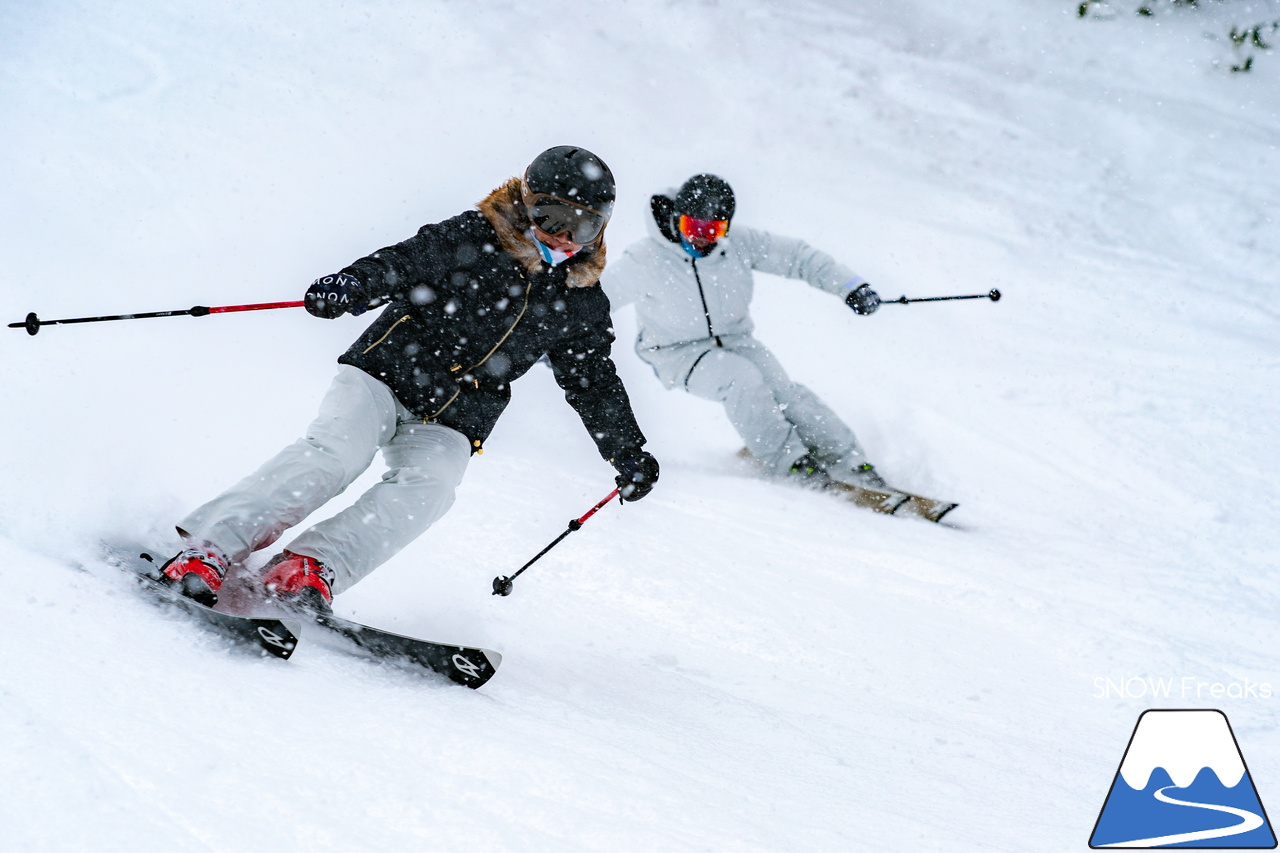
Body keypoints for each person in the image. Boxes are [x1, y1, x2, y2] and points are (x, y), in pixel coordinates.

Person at [159, 146, 659, 611]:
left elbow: (593, 380)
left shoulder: (580, 299)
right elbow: (403, 262)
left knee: (431, 488)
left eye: (585, 226)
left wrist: (627, 451)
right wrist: (354, 283)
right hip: (387, 371)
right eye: (553, 217)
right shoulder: (474, 236)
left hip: (459, 412)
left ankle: (309, 566)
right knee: (336, 455)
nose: (565, 237)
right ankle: (211, 545)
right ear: (528, 204)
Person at [603, 173, 885, 490]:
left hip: (737, 341)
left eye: (714, 230)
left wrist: (851, 287)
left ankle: (850, 462)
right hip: (677, 353)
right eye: (693, 228)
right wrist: (559, 340)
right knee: (743, 381)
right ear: (677, 218)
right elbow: (597, 300)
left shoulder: (739, 244)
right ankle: (792, 464)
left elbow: (797, 257)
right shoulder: (645, 259)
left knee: (785, 393)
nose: (702, 238)